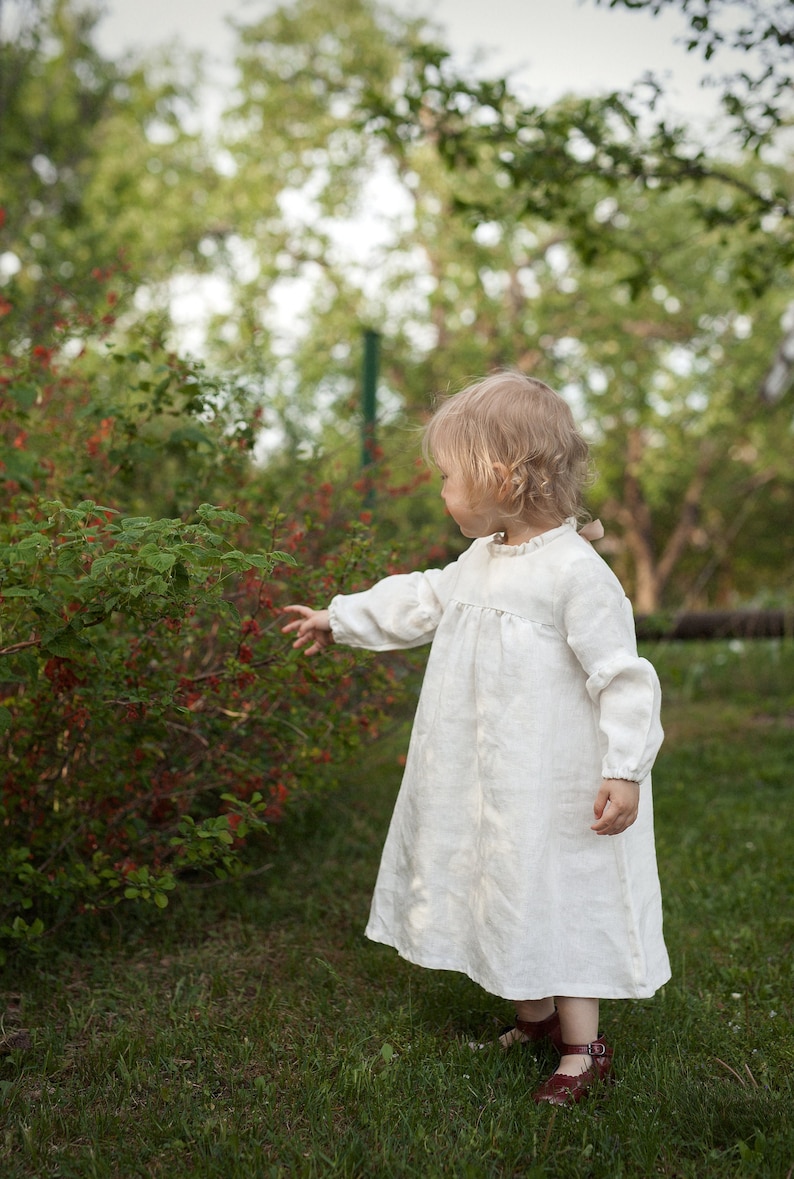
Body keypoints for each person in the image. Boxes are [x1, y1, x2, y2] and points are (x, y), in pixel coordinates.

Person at [282, 371, 669, 1106]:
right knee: (500, 875)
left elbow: (623, 675)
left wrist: (624, 766)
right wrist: (342, 618)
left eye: (448, 476)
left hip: (555, 779)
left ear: (502, 474)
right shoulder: (482, 558)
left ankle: (584, 1049)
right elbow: (425, 596)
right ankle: (533, 1017)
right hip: (492, 770)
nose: (441, 489)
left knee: (560, 890)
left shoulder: (576, 574)